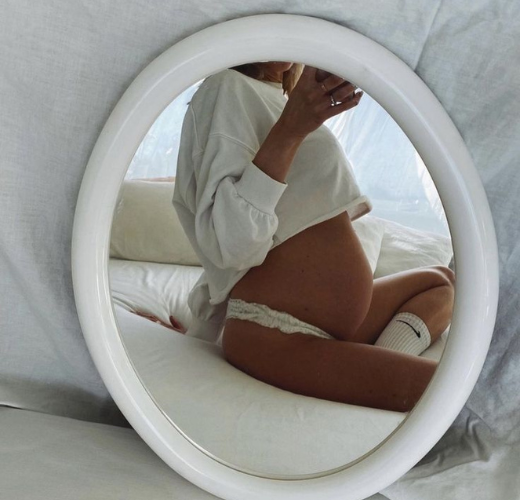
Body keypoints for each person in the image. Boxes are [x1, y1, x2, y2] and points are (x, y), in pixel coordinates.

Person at [173, 61, 455, 413]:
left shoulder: (279, 98)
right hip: (274, 330)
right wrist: (291, 129)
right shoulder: (226, 87)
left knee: (442, 282)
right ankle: (366, 369)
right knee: (458, 395)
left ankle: (369, 361)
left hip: (317, 321)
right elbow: (230, 244)